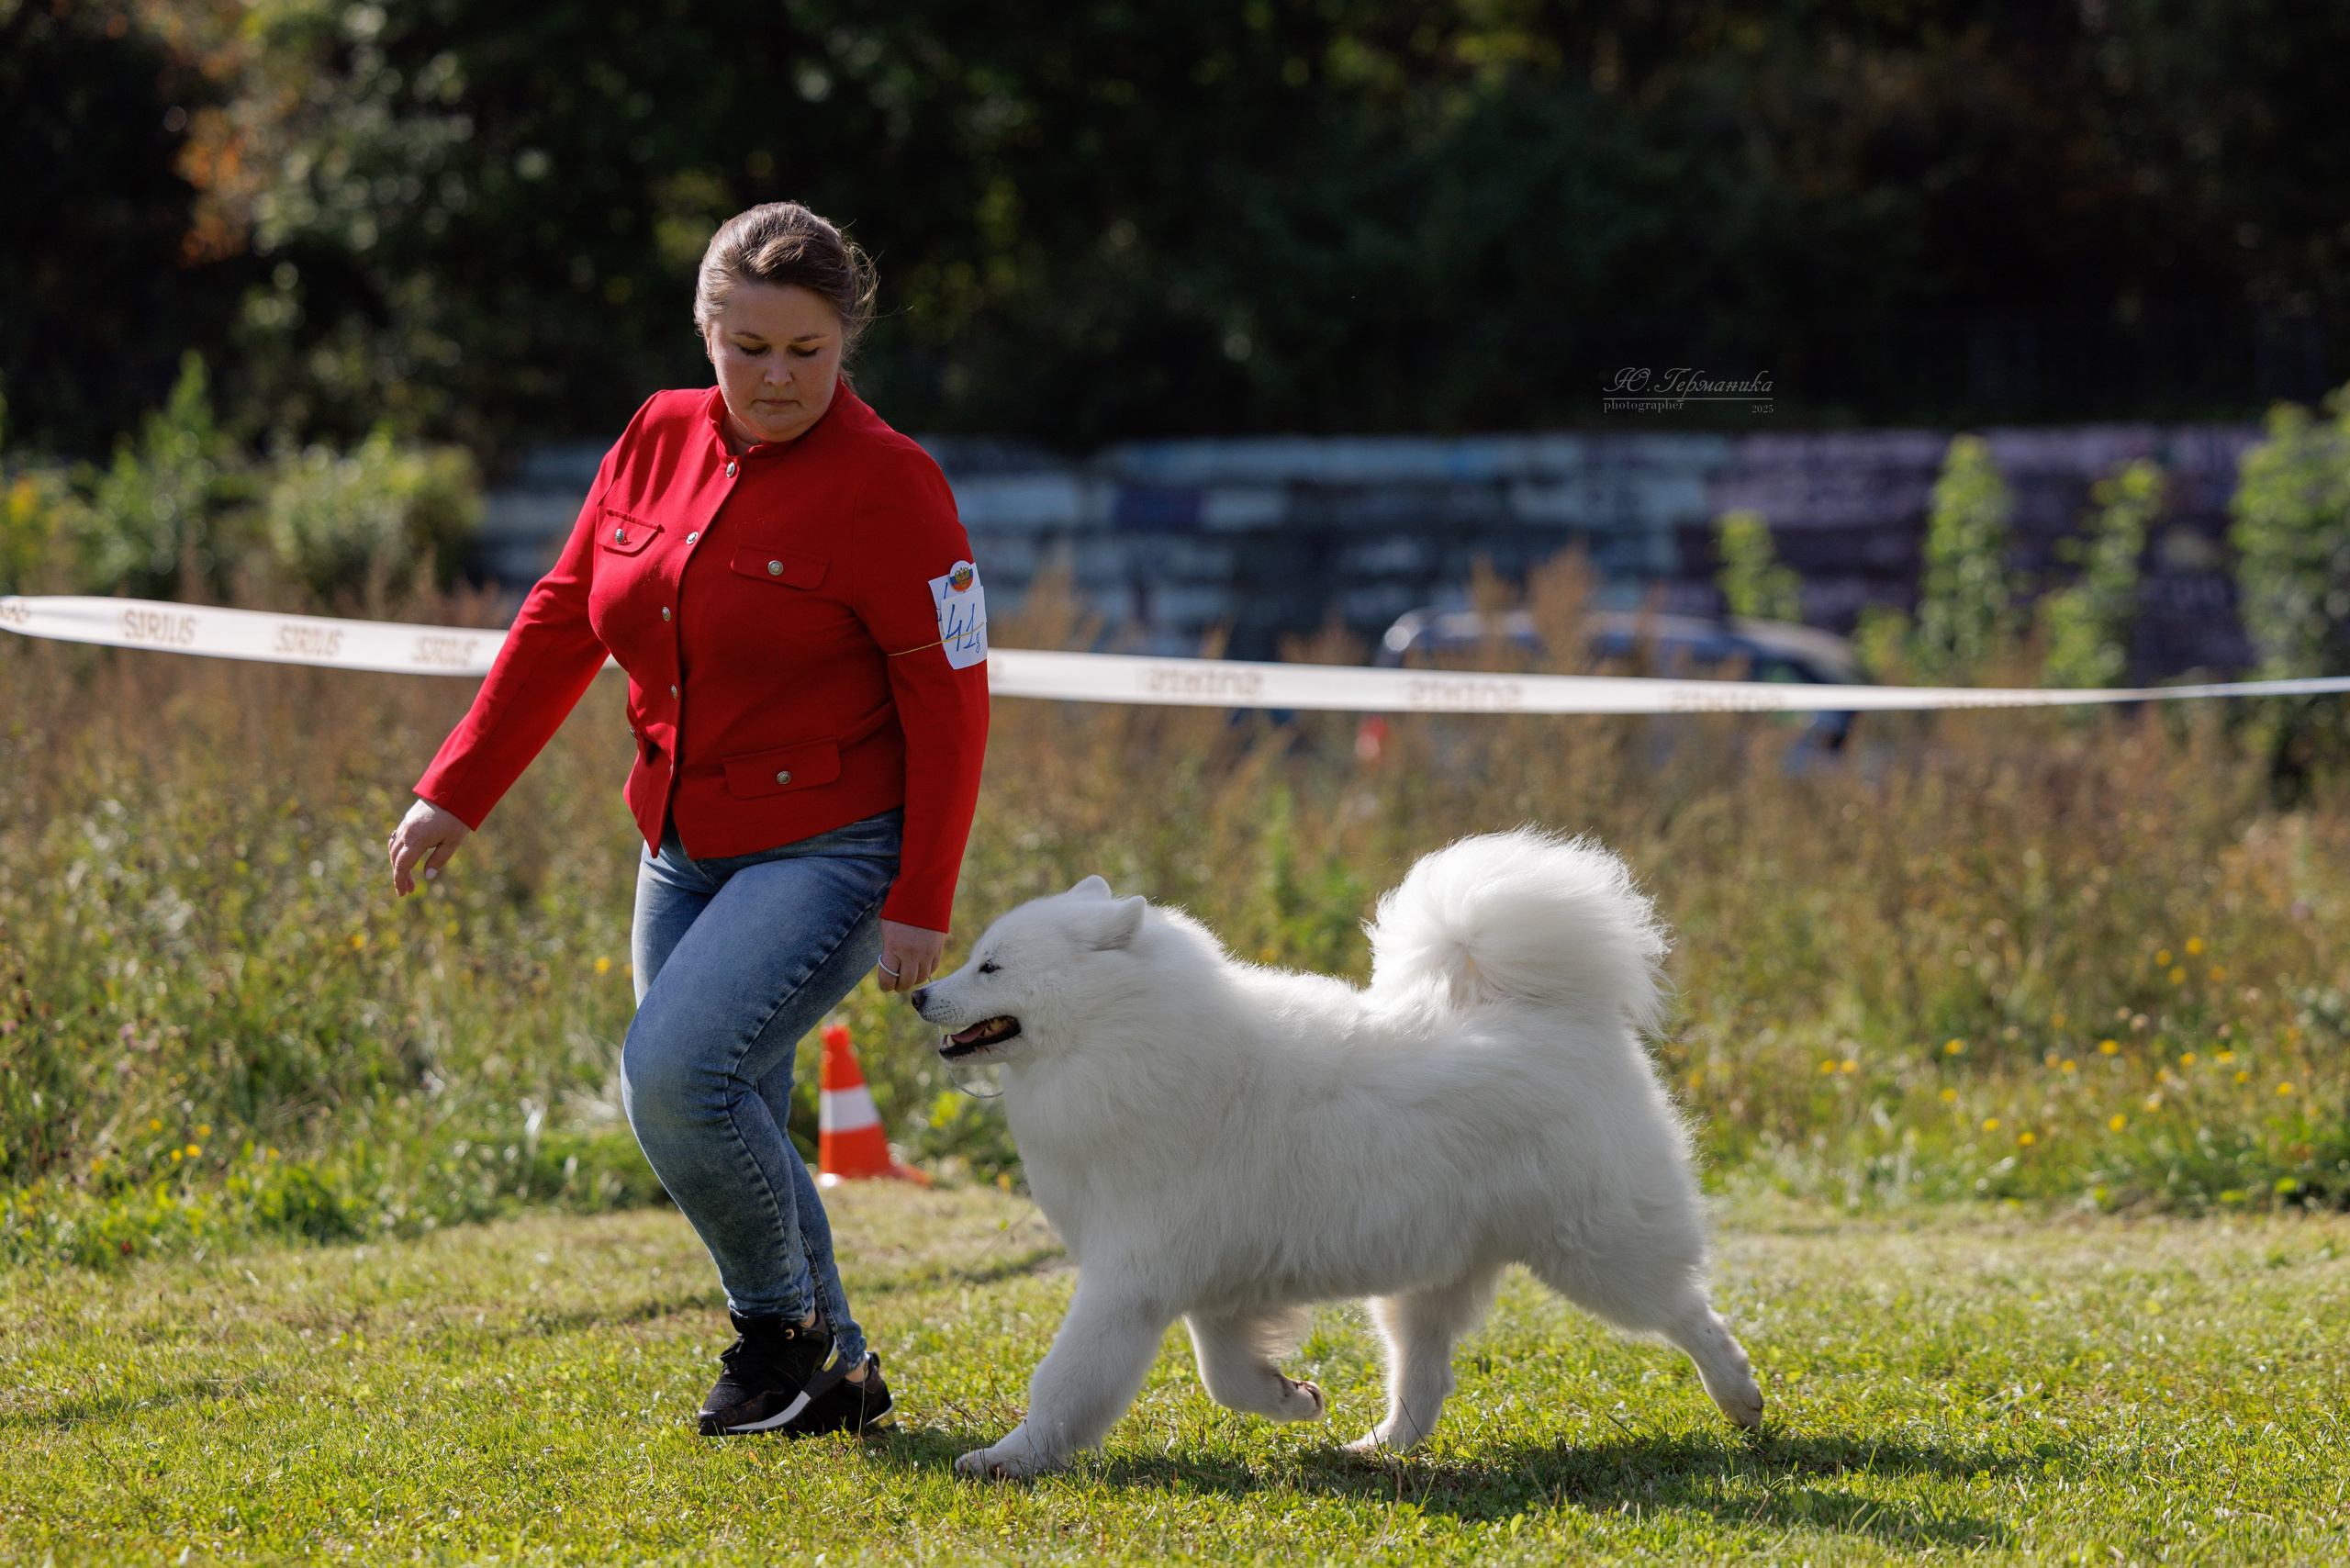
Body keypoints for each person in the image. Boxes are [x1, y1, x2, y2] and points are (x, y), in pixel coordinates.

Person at [385, 202, 990, 1438]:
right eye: (748, 346)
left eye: (806, 352)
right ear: (707, 330)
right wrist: (456, 787)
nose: (775, 378)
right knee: (737, 1104)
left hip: (835, 845)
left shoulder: (895, 485)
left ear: (846, 345)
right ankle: (842, 1377)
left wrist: (922, 900)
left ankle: (779, 1336)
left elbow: (953, 701)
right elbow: (563, 616)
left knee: (676, 1076)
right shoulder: (654, 434)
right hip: (679, 843)